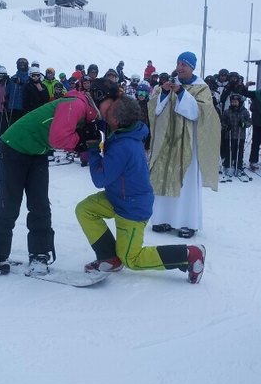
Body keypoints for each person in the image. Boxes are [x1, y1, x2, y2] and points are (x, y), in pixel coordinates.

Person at [0, 78, 117, 275]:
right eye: (111, 104)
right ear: (99, 98)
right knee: (9, 203)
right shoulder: (75, 103)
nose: (111, 110)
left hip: (37, 152)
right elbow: (58, 137)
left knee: (40, 205)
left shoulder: (87, 113)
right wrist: (81, 141)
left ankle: (40, 253)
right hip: (14, 148)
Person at [75, 94, 206, 283]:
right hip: (117, 198)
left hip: (132, 208)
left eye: (109, 111)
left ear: (117, 120)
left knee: (132, 259)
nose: (106, 111)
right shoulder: (125, 132)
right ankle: (109, 258)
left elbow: (100, 178)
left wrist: (93, 148)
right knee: (85, 210)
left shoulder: (124, 146)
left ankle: (189, 254)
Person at [148, 52, 220, 238]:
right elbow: (155, 108)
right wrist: (163, 92)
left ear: (192, 67)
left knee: (186, 183)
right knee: (163, 176)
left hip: (188, 143)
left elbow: (200, 113)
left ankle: (187, 223)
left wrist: (181, 93)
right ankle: (162, 219)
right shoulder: (170, 83)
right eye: (178, 63)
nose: (180, 67)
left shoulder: (201, 88)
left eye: (184, 65)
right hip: (168, 142)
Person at [221, 93, 252, 175]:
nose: (234, 103)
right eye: (232, 102)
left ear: (239, 102)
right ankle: (227, 166)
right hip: (229, 135)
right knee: (229, 151)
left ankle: (238, 166)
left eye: (236, 102)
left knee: (239, 151)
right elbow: (222, 121)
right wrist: (226, 126)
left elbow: (249, 121)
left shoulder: (244, 111)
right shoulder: (227, 112)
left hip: (240, 135)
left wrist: (244, 124)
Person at [5, 57, 30, 125]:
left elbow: (30, 89)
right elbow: (7, 92)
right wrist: (6, 83)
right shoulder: (13, 78)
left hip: (25, 107)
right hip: (13, 107)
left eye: (24, 63)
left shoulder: (30, 78)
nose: (22, 64)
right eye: (20, 63)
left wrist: (22, 83)